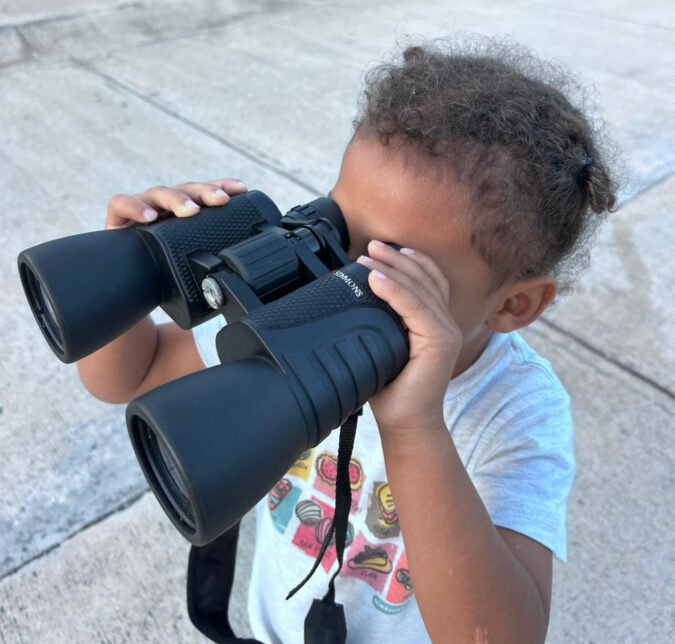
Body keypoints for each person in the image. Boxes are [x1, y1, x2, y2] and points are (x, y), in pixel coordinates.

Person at [77, 40, 618, 644]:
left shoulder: (516, 410)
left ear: (514, 304)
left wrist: (415, 425)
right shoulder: (292, 314)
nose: (335, 276)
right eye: (332, 225)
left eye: (383, 263)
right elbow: (127, 378)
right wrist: (130, 272)